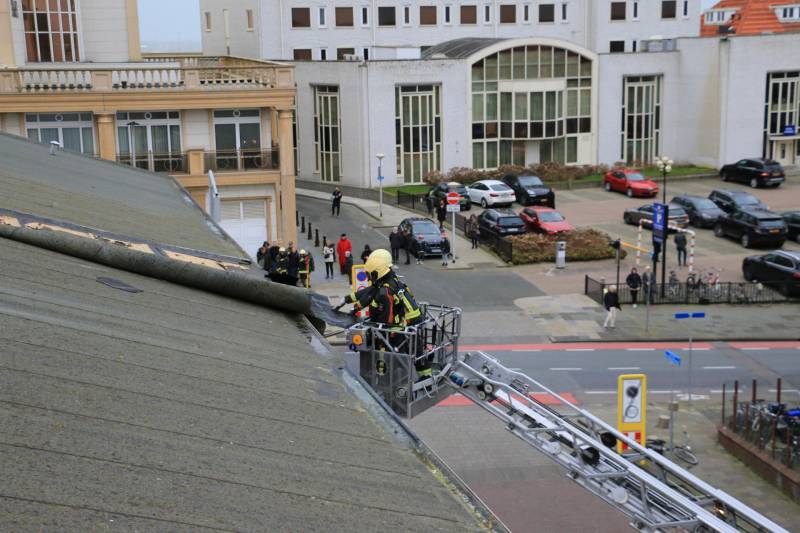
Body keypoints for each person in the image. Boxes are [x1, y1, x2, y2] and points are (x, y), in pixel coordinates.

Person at [340, 249, 427, 378]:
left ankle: (385, 381)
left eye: (371, 274)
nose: (369, 278)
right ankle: (424, 376)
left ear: (378, 272)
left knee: (385, 356)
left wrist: (375, 331)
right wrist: (349, 300)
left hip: (399, 329)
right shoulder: (392, 281)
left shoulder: (385, 291)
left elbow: (386, 321)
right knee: (416, 351)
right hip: (411, 325)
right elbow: (367, 293)